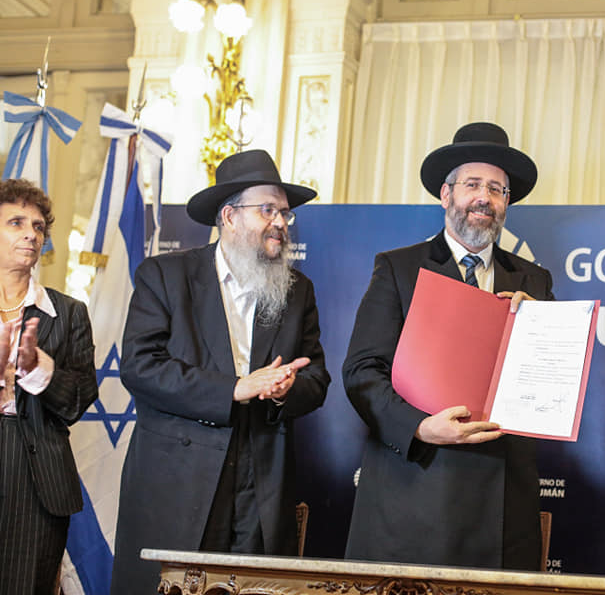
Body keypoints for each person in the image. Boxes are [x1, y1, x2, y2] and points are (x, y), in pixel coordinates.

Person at [111, 150, 331, 594]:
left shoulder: (297, 290)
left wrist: (285, 389)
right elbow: (140, 367)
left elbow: (317, 378)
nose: (282, 223)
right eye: (267, 210)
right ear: (229, 216)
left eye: (284, 212)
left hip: (262, 480)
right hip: (180, 479)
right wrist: (235, 388)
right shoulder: (165, 275)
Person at [342, 122, 552, 570]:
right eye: (473, 184)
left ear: (506, 204)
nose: (485, 197)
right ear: (446, 194)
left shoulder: (534, 281)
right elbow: (362, 372)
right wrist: (419, 427)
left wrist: (540, 329)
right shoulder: (398, 269)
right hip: (416, 489)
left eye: (497, 189)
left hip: (502, 509)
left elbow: (551, 386)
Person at [0, 179, 97, 595]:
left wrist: (39, 370)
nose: (31, 234)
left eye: (39, 227)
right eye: (17, 222)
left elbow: (78, 400)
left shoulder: (68, 313)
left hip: (35, 477)